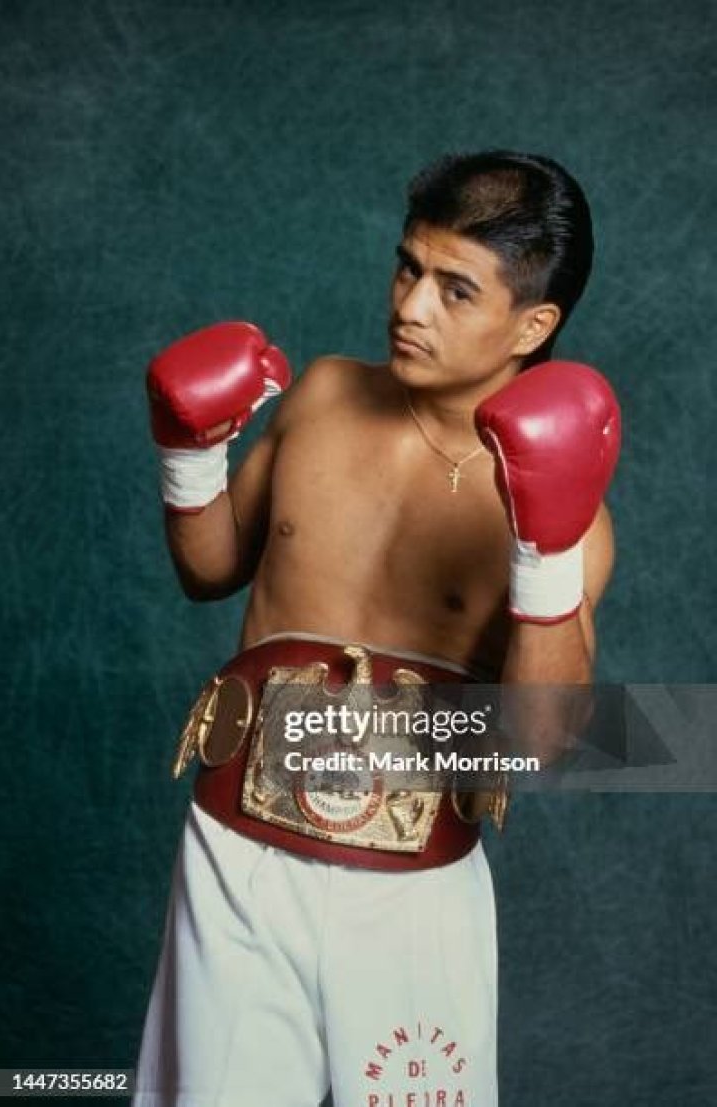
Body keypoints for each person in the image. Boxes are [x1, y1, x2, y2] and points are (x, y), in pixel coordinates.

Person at [133, 150, 620, 1107]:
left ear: (534, 325)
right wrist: (186, 454)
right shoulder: (323, 394)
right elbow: (210, 570)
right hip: (236, 861)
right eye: (408, 267)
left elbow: (542, 741)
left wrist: (545, 553)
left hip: (413, 894)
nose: (411, 306)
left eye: (455, 289)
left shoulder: (575, 520)